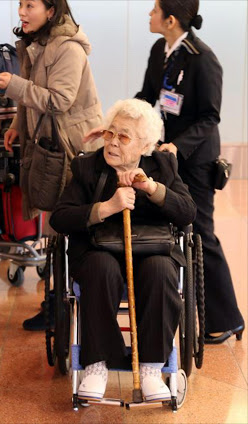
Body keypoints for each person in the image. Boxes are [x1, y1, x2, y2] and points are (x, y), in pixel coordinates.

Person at [50, 98, 196, 402]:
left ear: (145, 146)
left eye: (124, 137)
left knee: (160, 270)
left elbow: (187, 213)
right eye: (110, 133)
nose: (113, 142)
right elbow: (60, 217)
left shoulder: (163, 164)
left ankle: (151, 367)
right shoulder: (87, 166)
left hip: (152, 249)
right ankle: (97, 364)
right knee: (100, 269)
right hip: (96, 250)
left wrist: (153, 189)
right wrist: (105, 208)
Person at [135, 0, 244, 343]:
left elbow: (210, 117)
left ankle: (226, 319)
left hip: (196, 160)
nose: (148, 15)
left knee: (200, 233)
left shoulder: (203, 58)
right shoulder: (160, 49)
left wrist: (177, 147)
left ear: (170, 19)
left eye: (154, 10)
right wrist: (121, 124)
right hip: (168, 156)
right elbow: (147, 96)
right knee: (169, 224)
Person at [0, 0, 102, 331]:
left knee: (66, 227)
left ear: (51, 11)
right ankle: (55, 305)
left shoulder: (67, 49)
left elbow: (59, 100)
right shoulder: (36, 44)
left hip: (73, 150)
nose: (22, 12)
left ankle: (63, 307)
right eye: (20, 5)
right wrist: (15, 124)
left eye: (30, 5)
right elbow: (33, 98)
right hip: (52, 145)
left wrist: (14, 85)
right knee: (56, 229)